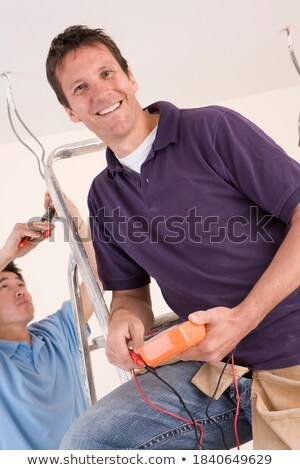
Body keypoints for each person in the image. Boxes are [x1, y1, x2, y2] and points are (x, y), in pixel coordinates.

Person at [46, 25, 300, 450]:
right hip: (215, 367)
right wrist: (126, 322)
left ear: (131, 77)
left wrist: (242, 319)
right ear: (71, 111)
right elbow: (130, 296)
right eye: (80, 87)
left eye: (108, 74)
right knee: (88, 446)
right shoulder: (103, 196)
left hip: (290, 352)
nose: (101, 93)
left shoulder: (214, 129)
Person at [0, 193, 99, 450]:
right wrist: (6, 254)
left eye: (20, 284)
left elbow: (96, 279)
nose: (20, 290)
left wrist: (74, 218)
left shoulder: (55, 334)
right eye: (4, 287)